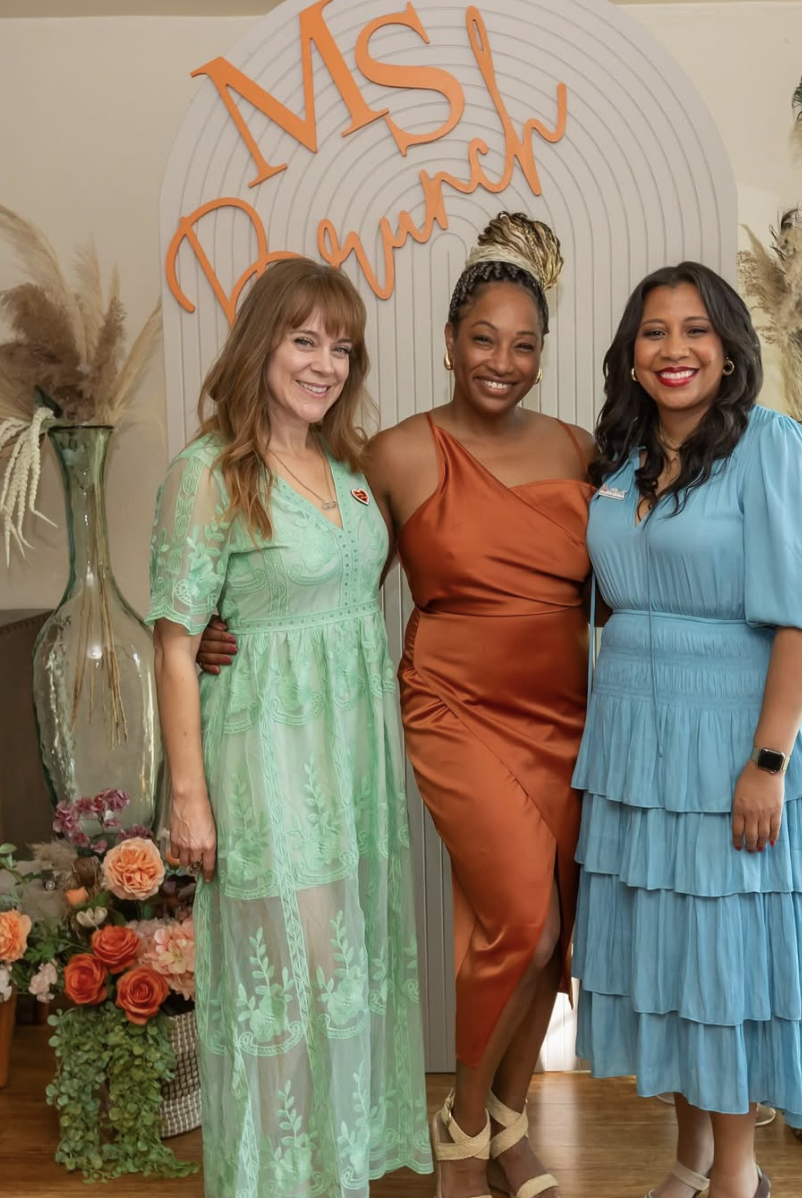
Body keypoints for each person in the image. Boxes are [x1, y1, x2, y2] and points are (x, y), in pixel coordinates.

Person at [199, 214, 595, 1198]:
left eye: (523, 344)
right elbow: (309, 551)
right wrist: (217, 624)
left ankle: (509, 1125)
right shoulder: (393, 454)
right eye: (481, 339)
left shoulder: (585, 448)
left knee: (555, 934)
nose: (500, 361)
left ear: (542, 353)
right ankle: (461, 1127)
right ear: (449, 340)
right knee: (522, 919)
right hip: (451, 705)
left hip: (567, 714)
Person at [148, 258, 431, 1198]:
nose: (323, 363)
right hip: (266, 755)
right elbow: (179, 641)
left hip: (353, 761)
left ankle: (336, 1177)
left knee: (348, 972)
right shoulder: (208, 471)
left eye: (340, 346)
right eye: (303, 339)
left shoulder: (350, 470)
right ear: (259, 342)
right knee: (292, 983)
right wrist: (189, 798)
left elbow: (348, 600)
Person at [572, 262, 802, 1198]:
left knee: (721, 958)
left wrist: (768, 762)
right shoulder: (621, 458)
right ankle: (689, 1164)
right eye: (654, 331)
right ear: (632, 355)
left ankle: (739, 1176)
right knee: (674, 952)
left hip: (729, 736)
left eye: (695, 330)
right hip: (635, 743)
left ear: (729, 350)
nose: (674, 348)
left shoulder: (772, 448)